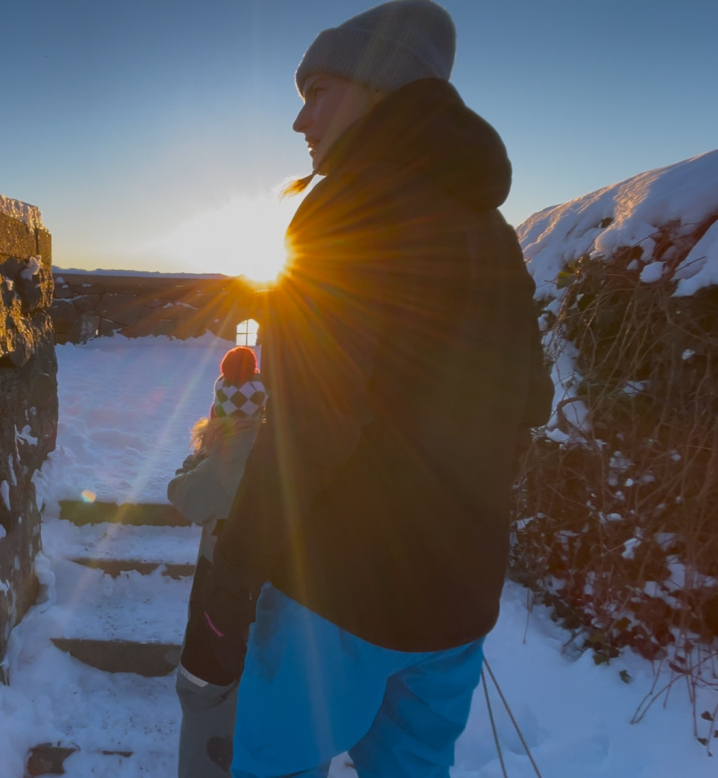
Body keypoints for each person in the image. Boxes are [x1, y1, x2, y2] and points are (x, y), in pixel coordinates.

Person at [190, 2, 556, 777]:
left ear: (377, 88)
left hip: (337, 598)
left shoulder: (348, 209)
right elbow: (529, 402)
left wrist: (236, 570)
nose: (300, 119)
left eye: (317, 90)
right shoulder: (491, 230)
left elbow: (312, 427)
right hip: (458, 601)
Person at [167, 346, 267, 777]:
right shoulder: (283, 451)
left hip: (220, 589)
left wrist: (200, 459)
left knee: (206, 691)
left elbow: (182, 496)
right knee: (267, 692)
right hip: (277, 591)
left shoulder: (222, 460)